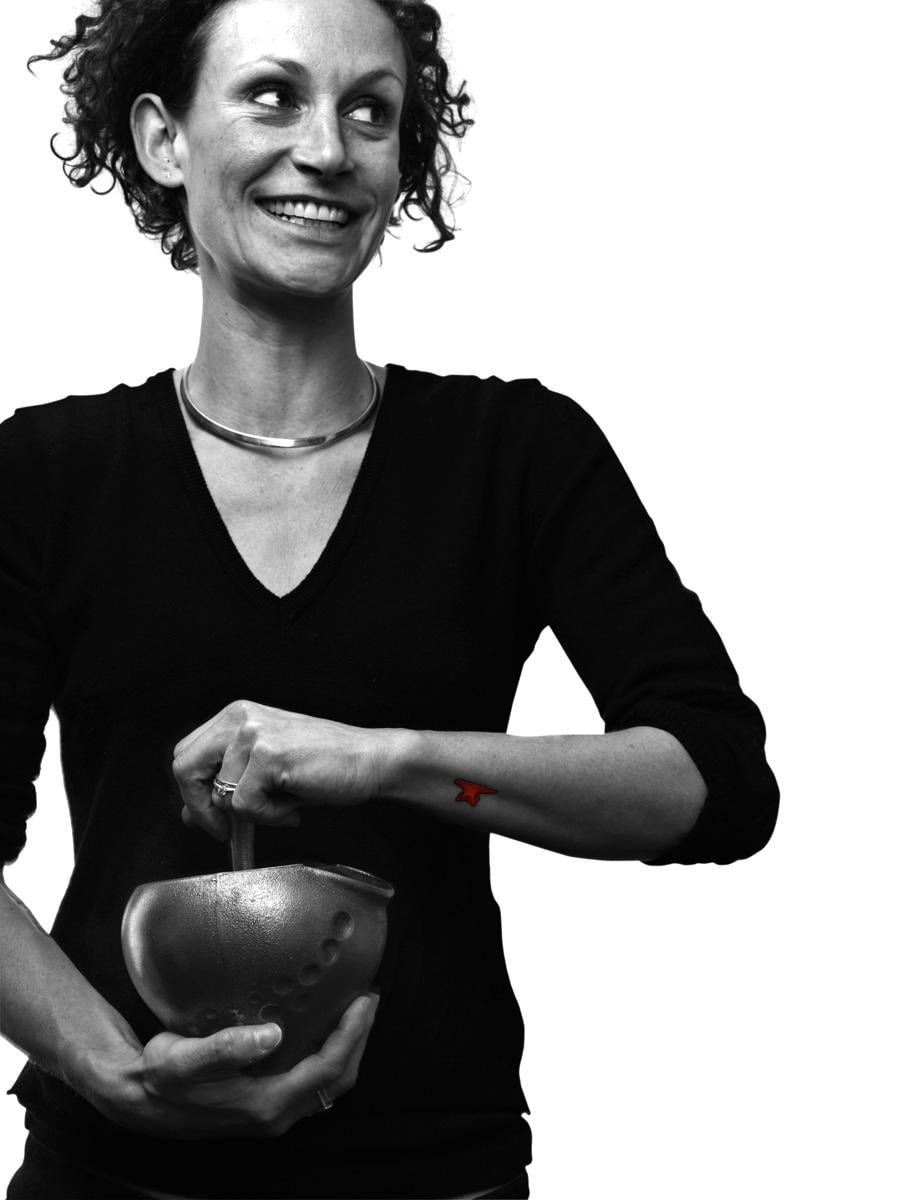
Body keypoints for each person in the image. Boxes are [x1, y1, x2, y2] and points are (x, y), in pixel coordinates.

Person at [0, 0, 780, 1196]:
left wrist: (386, 761)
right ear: (163, 139)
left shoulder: (517, 455)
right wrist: (109, 1069)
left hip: (435, 1174)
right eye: (273, 95)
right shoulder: (46, 475)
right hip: (108, 1179)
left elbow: (715, 782)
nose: (328, 147)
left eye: (370, 110)